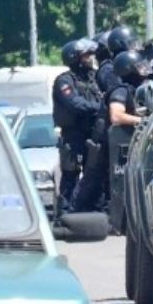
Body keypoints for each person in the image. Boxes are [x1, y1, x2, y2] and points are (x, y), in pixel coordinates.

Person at [71, 50, 152, 218]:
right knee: (90, 186)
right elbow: (116, 116)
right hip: (104, 147)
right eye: (138, 67)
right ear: (128, 70)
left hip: (110, 146)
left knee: (103, 186)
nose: (142, 71)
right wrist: (143, 121)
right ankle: (73, 217)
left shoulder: (130, 90)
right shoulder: (120, 90)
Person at [51, 38, 101, 209]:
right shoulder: (64, 81)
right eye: (86, 56)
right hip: (73, 136)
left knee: (94, 173)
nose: (90, 59)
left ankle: (93, 207)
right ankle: (65, 210)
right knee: (71, 173)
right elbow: (75, 103)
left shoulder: (92, 78)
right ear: (75, 58)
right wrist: (98, 108)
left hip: (92, 134)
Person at [96, 25, 140, 93]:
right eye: (131, 44)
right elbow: (118, 92)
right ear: (119, 45)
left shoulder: (129, 65)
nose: (136, 48)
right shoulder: (108, 69)